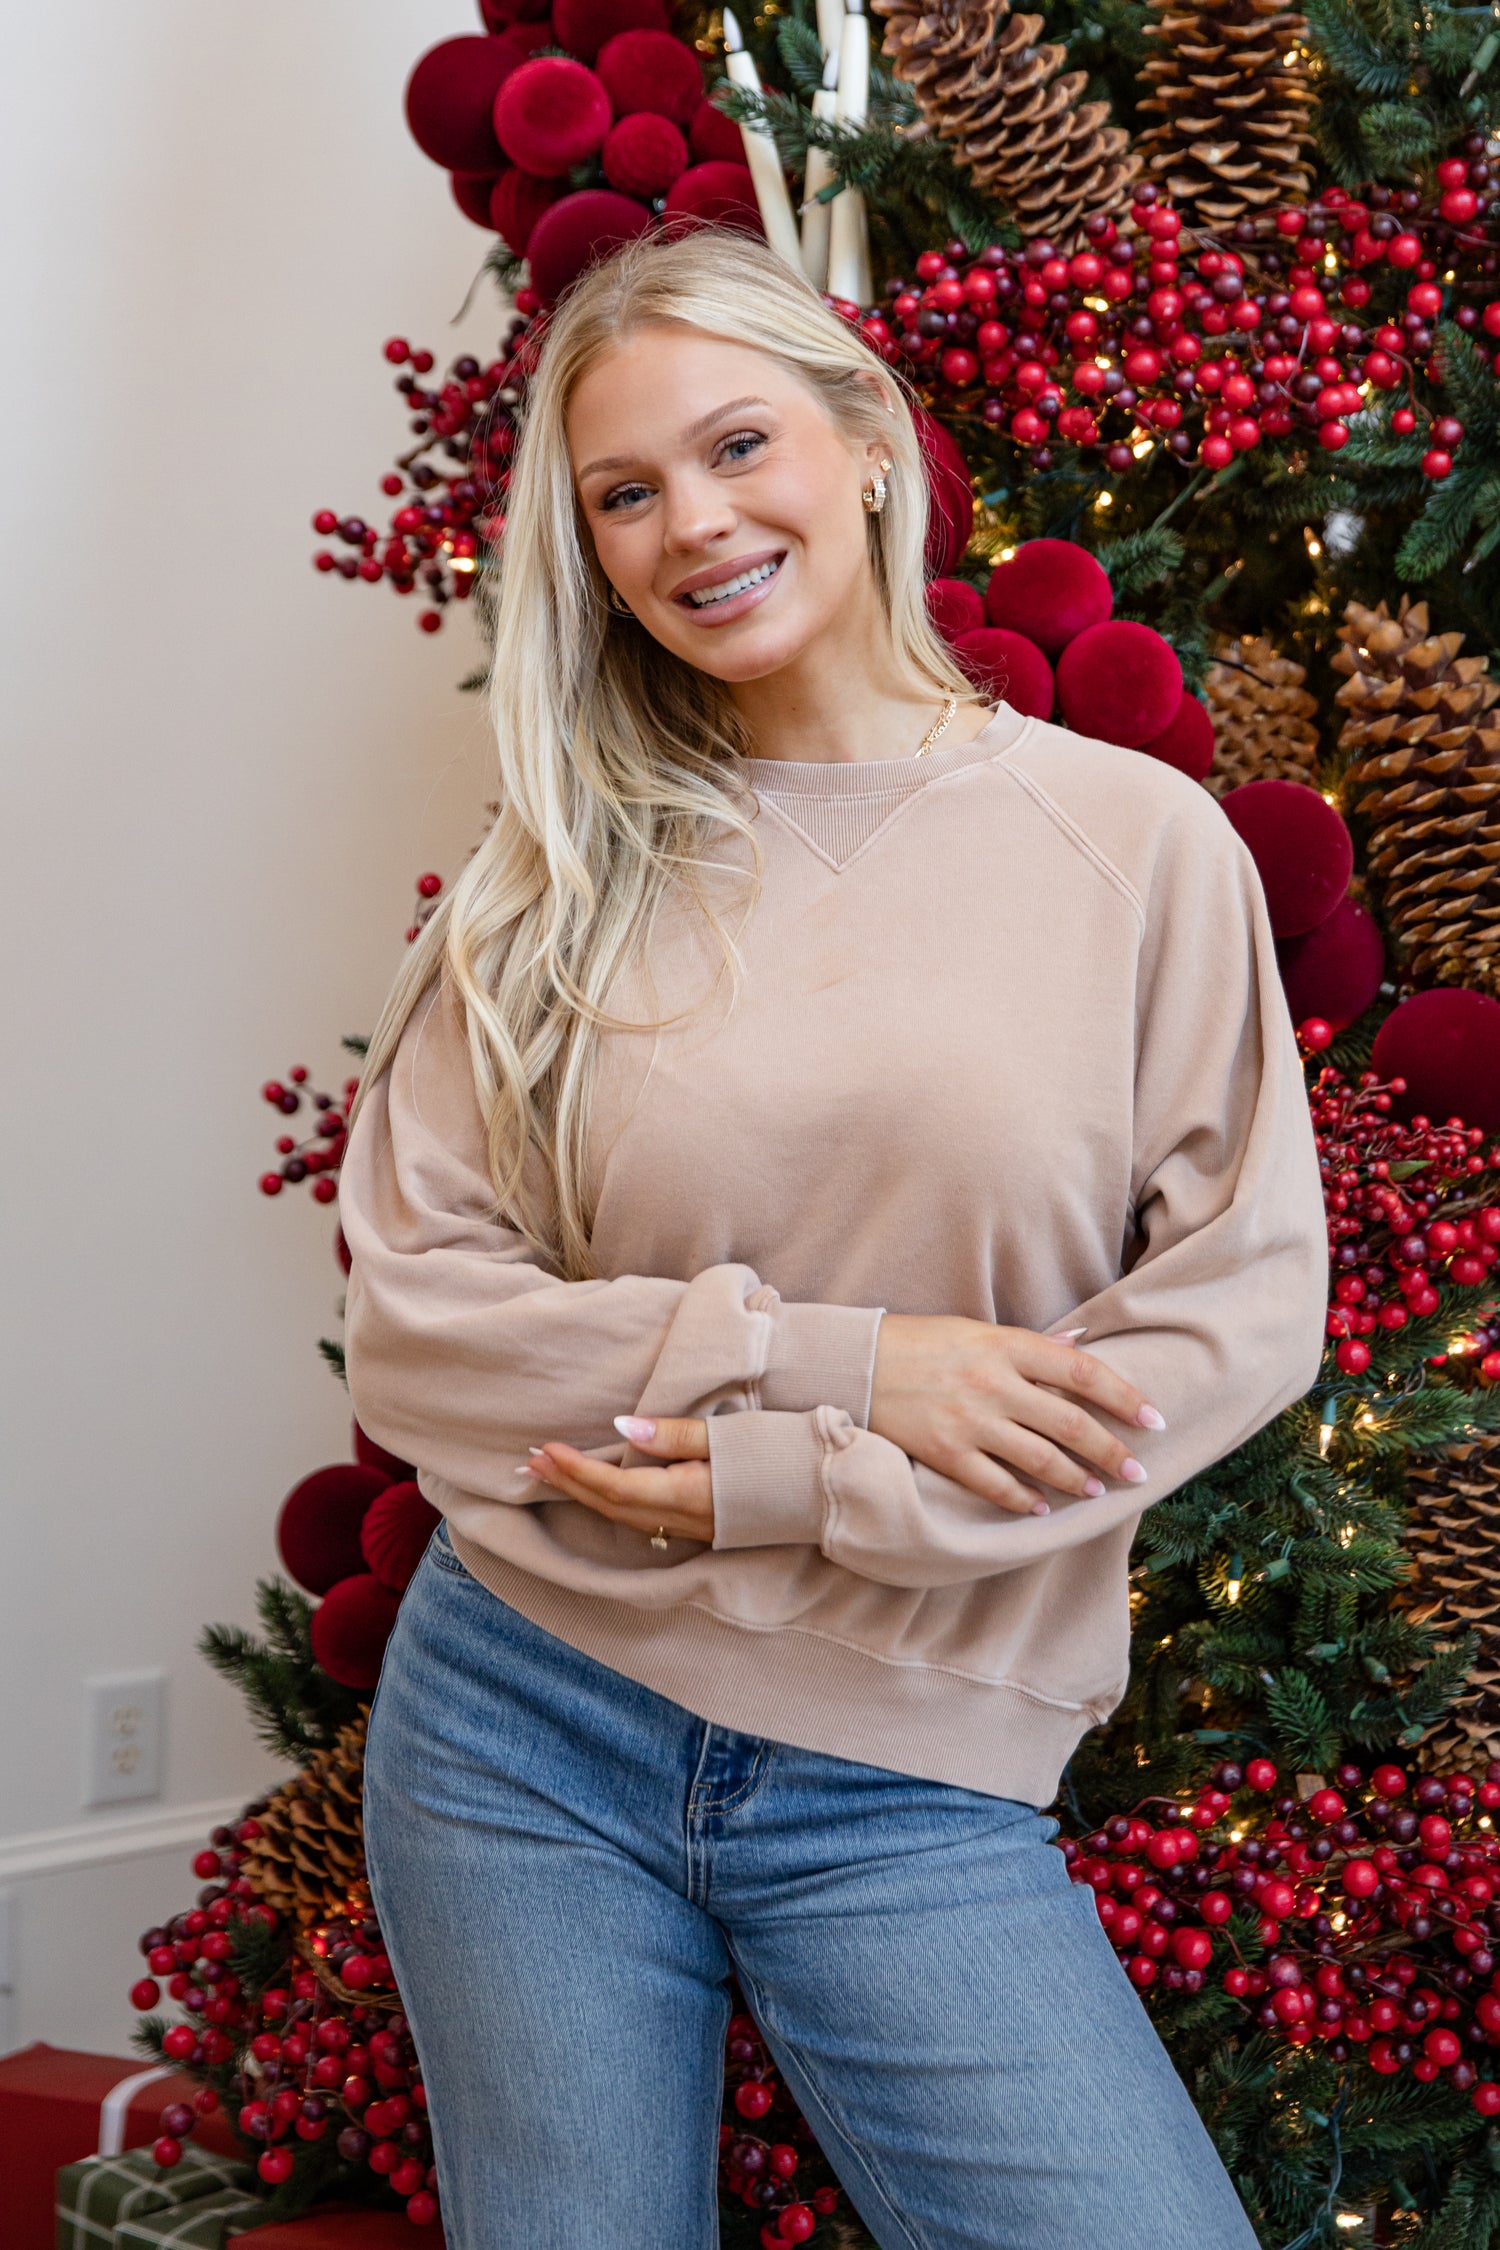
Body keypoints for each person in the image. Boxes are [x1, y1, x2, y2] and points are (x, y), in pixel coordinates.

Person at [336, 219, 1328, 2250]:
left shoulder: (1134, 846)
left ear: (867, 440)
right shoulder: (557, 876)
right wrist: (858, 1365)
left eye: (738, 446)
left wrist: (793, 1484)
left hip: (911, 1760)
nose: (694, 524)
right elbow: (424, 1327)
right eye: (625, 494)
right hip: (522, 1713)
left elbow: (1233, 1311)